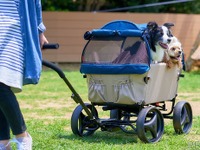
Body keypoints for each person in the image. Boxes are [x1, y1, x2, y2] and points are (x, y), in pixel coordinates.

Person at [0, 0, 48, 149]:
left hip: (13, 32)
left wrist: (40, 31)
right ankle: (3, 142)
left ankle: (22, 137)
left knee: (1, 85)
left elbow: (36, 4)